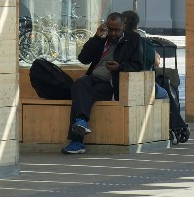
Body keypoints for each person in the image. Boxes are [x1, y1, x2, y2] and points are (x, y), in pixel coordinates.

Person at [61, 12, 143, 155]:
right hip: (93, 79)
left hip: (112, 83)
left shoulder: (133, 39)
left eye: (116, 30)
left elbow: (138, 64)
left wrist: (120, 66)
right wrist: (97, 38)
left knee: (80, 97)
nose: (112, 33)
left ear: (123, 27)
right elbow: (83, 58)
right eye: (110, 29)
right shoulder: (102, 39)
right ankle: (81, 122)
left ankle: (77, 141)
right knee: (79, 84)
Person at [120, 10, 168, 99]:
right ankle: (170, 113)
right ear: (136, 25)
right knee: (165, 94)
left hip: (119, 83)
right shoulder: (143, 42)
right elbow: (156, 61)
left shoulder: (118, 41)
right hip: (142, 83)